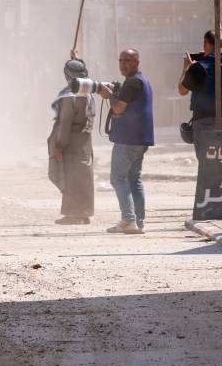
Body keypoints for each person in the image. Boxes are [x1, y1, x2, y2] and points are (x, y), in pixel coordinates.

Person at [96, 48, 154, 235]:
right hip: (139, 139)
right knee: (133, 179)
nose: (123, 63)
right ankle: (138, 222)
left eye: (128, 60)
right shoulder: (141, 80)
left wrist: (109, 95)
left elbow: (119, 108)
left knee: (118, 178)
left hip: (128, 139)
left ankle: (129, 220)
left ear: (137, 62)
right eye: (121, 60)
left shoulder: (132, 82)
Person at [48, 59, 97, 225]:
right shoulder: (87, 91)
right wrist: (76, 58)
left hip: (72, 143)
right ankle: (84, 213)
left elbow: (65, 122)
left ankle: (73, 215)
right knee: (84, 177)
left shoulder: (69, 96)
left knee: (72, 177)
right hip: (85, 141)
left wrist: (59, 145)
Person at [177, 31, 218, 158]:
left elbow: (182, 90)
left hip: (204, 123)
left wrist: (187, 68)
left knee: (207, 164)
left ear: (205, 43)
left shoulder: (199, 67)